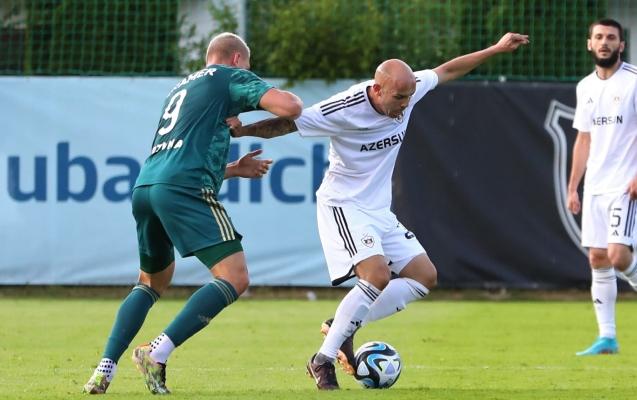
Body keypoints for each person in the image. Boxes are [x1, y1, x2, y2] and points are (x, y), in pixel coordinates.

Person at [229, 32, 528, 389]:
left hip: (378, 209)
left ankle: (343, 326)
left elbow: (447, 70)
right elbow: (286, 123)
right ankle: (322, 360)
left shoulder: (409, 89)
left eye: (409, 96)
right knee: (376, 276)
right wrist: (242, 132)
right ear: (377, 89)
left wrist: (495, 48)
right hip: (344, 204)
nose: (405, 104)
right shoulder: (343, 109)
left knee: (423, 277)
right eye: (399, 98)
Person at [83, 32, 302, 394]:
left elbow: (183, 153)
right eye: (247, 67)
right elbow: (291, 107)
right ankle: (156, 352)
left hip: (147, 186)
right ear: (236, 59)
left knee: (150, 283)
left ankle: (104, 368)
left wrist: (232, 169)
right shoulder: (229, 75)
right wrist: (255, 113)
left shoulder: (181, 87)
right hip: (184, 188)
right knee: (234, 277)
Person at [567, 18, 637, 356]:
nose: (604, 42)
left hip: (626, 185)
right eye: (599, 37)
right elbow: (583, 139)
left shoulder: (634, 80)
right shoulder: (585, 87)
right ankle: (607, 337)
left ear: (621, 45)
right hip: (595, 186)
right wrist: (573, 187)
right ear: (589, 44)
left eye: (611, 37)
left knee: (618, 255)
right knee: (598, 258)